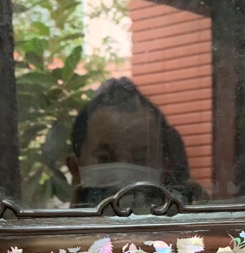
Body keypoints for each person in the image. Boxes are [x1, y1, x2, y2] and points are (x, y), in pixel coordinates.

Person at [66, 77, 203, 208]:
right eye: (105, 158)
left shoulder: (191, 220)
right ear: (75, 168)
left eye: (141, 159)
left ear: (166, 168)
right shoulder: (59, 222)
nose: (123, 174)